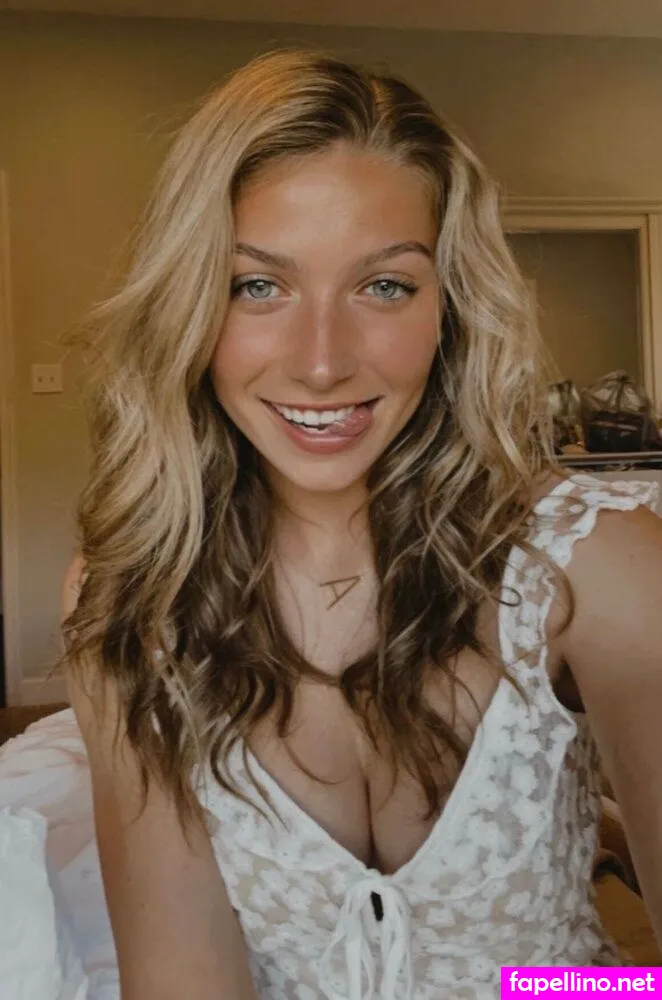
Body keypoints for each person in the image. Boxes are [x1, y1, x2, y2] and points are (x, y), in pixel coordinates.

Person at [48, 48, 662, 999]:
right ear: (187, 303)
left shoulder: (598, 563)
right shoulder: (127, 595)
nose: (322, 362)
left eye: (385, 286)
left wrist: (591, 992)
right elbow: (180, 977)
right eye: (257, 286)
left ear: (450, 304)